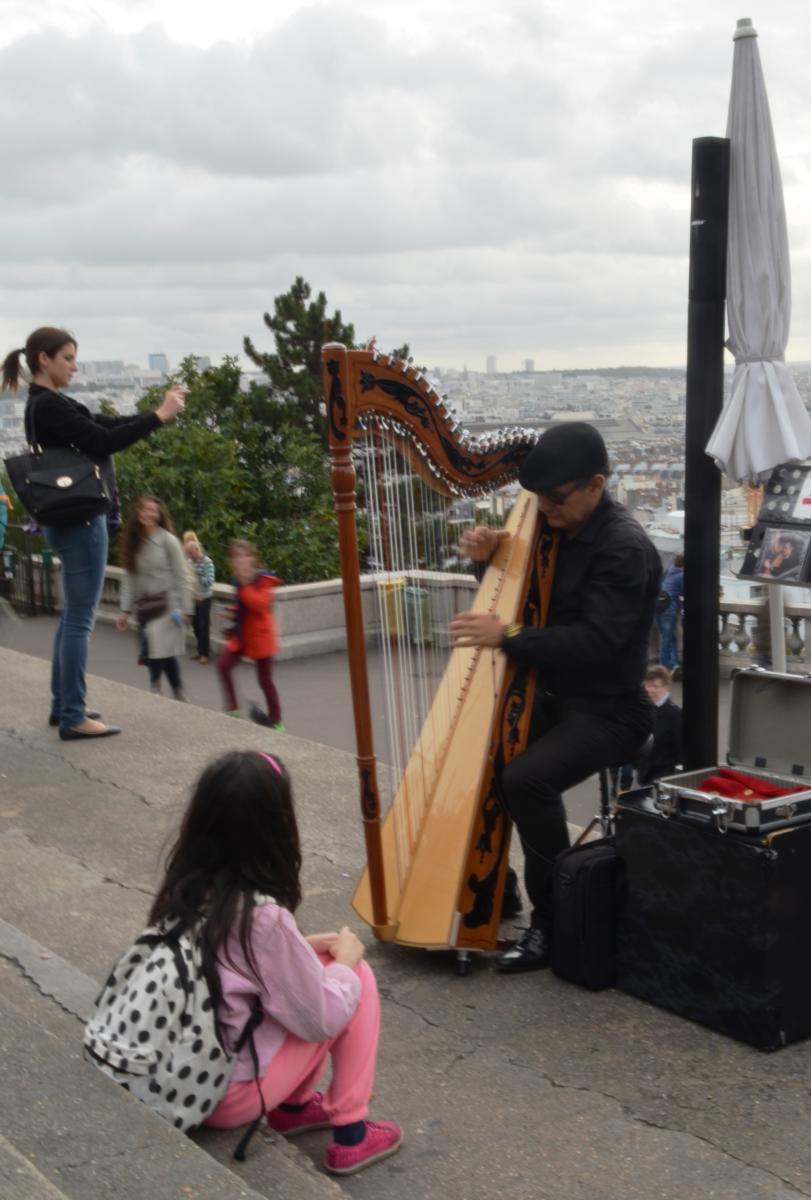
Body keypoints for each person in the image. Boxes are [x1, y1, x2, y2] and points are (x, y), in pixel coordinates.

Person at [450, 422, 661, 972]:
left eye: (557, 497)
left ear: (595, 484)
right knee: (485, 756)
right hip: (557, 696)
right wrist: (488, 553)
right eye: (538, 498)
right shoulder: (553, 528)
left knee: (526, 779)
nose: (544, 507)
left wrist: (509, 635)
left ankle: (552, 920)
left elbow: (596, 642)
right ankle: (498, 889)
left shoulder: (624, 549)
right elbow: (528, 593)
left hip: (611, 709)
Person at [150, 748, 402, 1175]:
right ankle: (351, 1135)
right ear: (275, 827)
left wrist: (303, 947)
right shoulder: (263, 917)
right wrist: (345, 964)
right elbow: (320, 1018)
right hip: (226, 1095)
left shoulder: (186, 888)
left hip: (183, 1072)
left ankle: (295, 1106)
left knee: (317, 966)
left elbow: (231, 967)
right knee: (355, 976)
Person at [1, 327, 185, 740]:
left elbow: (105, 424)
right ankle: (72, 714)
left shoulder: (48, 403)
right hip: (81, 521)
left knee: (71, 619)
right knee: (80, 621)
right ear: (44, 360)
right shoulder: (47, 406)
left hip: (67, 521)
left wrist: (153, 413)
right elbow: (104, 439)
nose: (74, 366)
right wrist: (160, 415)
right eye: (67, 358)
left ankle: (63, 703)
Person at [116, 496, 193, 699]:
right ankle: (178, 690)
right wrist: (124, 611)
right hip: (145, 607)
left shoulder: (169, 541)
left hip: (168, 605)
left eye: (153, 510)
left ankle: (156, 688)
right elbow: (129, 579)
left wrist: (187, 608)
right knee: (162, 652)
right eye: (144, 510)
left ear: (159, 516)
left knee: (155, 647)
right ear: (138, 513)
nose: (148, 514)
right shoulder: (133, 542)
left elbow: (182, 575)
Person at [217, 539, 283, 729]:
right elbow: (244, 606)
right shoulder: (237, 581)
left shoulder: (264, 579)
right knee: (223, 665)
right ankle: (232, 710)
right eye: (236, 557)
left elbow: (260, 605)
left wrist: (245, 586)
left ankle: (277, 721)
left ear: (253, 558)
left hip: (261, 637)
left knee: (265, 681)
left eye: (245, 556)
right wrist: (232, 609)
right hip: (242, 636)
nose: (241, 560)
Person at [633, 665, 683, 786]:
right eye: (647, 685)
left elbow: (681, 751)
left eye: (655, 686)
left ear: (666, 687)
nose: (649, 690)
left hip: (664, 778)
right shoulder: (643, 710)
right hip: (644, 775)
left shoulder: (675, 714)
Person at [183, 531, 215, 664]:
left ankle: (205, 654)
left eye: (191, 553)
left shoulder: (208, 563)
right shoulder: (189, 561)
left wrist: (196, 575)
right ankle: (200, 650)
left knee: (204, 626)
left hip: (205, 599)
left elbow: (209, 581)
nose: (189, 556)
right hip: (193, 599)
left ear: (197, 550)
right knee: (195, 626)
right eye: (188, 553)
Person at [656, 553, 684, 673]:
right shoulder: (683, 575)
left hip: (657, 606)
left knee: (669, 637)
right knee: (667, 638)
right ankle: (663, 667)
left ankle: (674, 663)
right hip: (669, 608)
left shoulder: (669, 571)